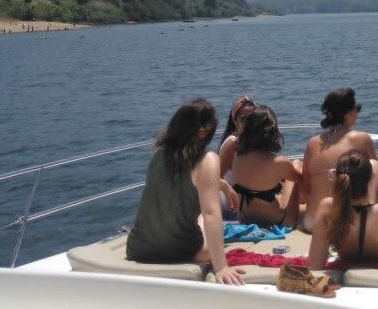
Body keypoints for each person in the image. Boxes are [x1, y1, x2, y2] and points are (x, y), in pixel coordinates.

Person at [126, 98, 245, 285]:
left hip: (138, 248)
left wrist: (220, 184)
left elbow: (185, 177)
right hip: (179, 249)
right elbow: (211, 213)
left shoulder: (160, 152)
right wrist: (221, 266)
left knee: (198, 215)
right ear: (204, 132)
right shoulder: (208, 160)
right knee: (205, 221)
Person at [308, 151, 378, 272]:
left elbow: (315, 267)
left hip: (348, 257)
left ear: (338, 179)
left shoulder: (327, 208)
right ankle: (370, 193)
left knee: (373, 164)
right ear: (371, 180)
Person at [300, 88, 378, 232]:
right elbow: (376, 180)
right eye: (357, 109)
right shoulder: (361, 138)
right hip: (346, 224)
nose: (357, 113)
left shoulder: (312, 143)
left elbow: (305, 190)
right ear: (348, 113)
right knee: (375, 166)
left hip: (313, 222)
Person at [228, 105, 302, 226]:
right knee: (296, 166)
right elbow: (300, 178)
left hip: (245, 219)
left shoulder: (237, 157)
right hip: (277, 221)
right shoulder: (278, 162)